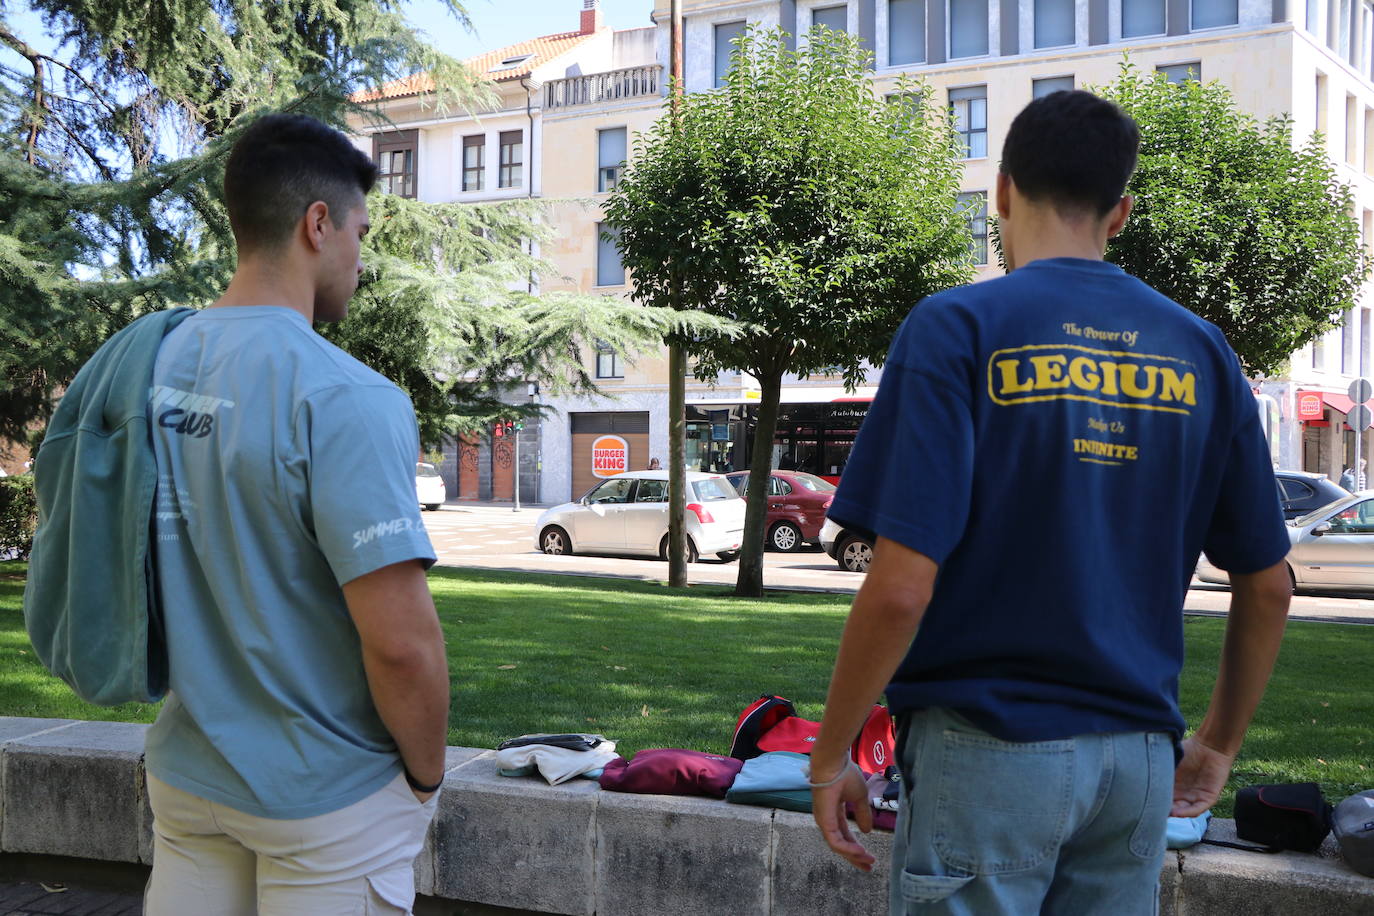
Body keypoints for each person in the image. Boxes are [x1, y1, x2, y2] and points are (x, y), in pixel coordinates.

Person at [808, 90, 1291, 916]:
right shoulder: (1202, 350)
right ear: (1121, 213)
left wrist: (828, 759)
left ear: (1001, 191)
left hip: (987, 748)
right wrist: (1217, 743)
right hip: (1137, 764)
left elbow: (900, 588)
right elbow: (1269, 584)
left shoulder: (955, 327)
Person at [141, 114, 450, 915]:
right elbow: (403, 646)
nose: (360, 260)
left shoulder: (150, 367)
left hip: (187, 779)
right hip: (328, 801)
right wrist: (425, 778)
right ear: (318, 224)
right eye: (360, 233)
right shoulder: (345, 394)